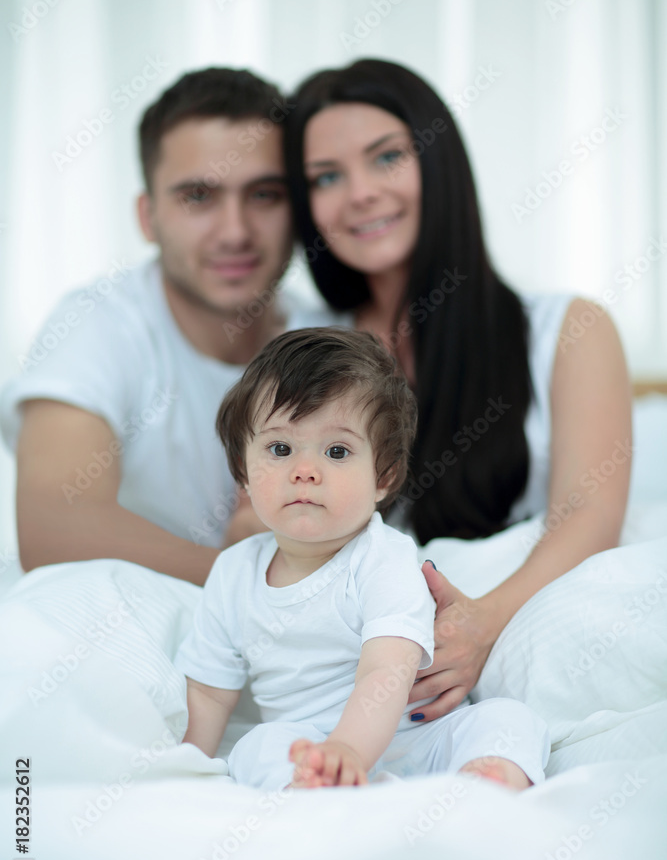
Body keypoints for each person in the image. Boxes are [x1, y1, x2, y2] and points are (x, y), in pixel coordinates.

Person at [283, 58, 633, 722]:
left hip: (514, 613)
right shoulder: (302, 348)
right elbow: (262, 514)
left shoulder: (567, 328)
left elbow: (588, 517)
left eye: (385, 158)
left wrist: (482, 624)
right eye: (326, 178)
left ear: (439, 165)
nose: (358, 193)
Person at [0, 67, 342, 587]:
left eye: (264, 195)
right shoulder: (100, 323)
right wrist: (256, 584)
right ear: (147, 216)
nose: (235, 232)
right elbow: (53, 528)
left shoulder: (332, 343)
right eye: (198, 197)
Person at [175, 328, 550, 791]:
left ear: (384, 477)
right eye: (279, 448)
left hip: (419, 735)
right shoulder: (233, 573)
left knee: (509, 719)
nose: (305, 470)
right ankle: (318, 789)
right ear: (243, 473)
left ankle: (483, 782)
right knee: (255, 747)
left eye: (337, 451)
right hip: (309, 744)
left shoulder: (383, 558)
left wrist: (350, 751)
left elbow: (385, 670)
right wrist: (187, 764)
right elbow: (211, 692)